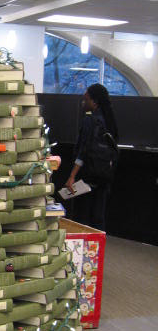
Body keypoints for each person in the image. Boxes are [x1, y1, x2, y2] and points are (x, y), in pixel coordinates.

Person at [65, 83, 119, 230]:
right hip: (104, 176)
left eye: (86, 99)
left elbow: (83, 151)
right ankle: (97, 244)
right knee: (98, 217)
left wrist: (72, 176)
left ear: (94, 102)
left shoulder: (90, 120)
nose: (83, 103)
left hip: (87, 176)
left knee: (81, 218)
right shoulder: (110, 121)